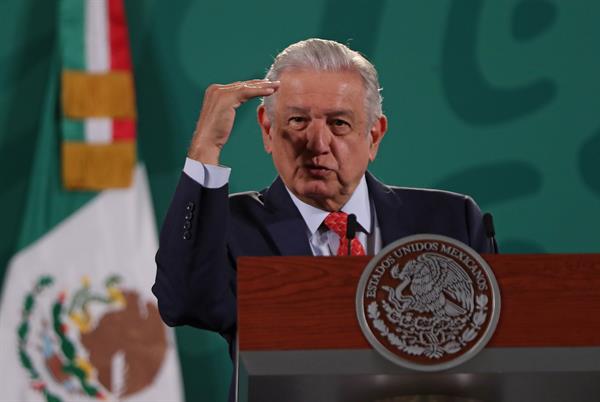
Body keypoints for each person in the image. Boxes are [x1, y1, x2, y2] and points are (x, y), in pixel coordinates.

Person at [152, 38, 492, 398]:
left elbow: (497, 345)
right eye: (298, 121)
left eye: (339, 123)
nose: (317, 143)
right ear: (268, 130)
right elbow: (181, 303)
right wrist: (206, 149)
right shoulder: (231, 229)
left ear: (374, 135)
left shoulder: (450, 222)